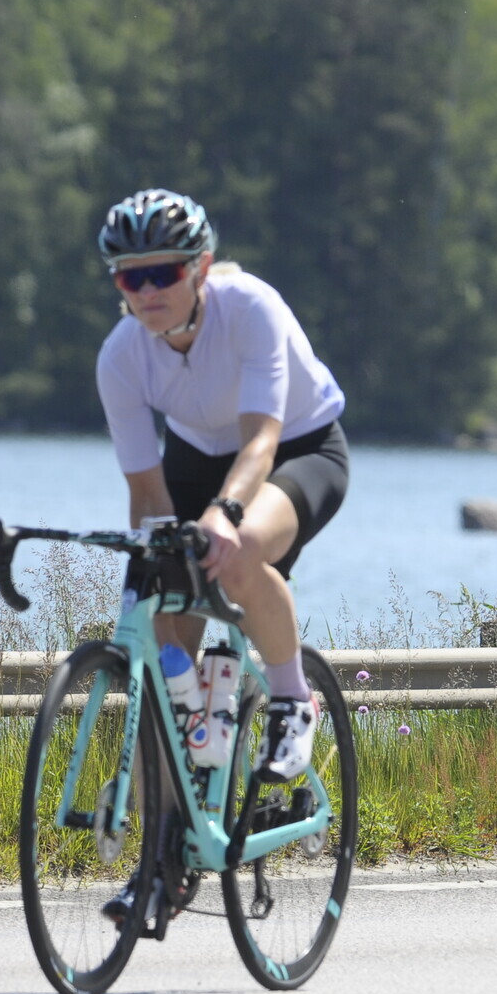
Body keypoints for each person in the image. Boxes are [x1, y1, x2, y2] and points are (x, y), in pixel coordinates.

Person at [95, 188, 349, 782]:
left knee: (240, 551)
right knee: (167, 616)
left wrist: (225, 512)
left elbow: (261, 440)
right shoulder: (120, 356)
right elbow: (147, 495)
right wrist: (154, 573)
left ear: (201, 268)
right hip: (196, 458)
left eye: (163, 273)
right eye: (131, 278)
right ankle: (176, 814)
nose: (148, 291)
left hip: (298, 447)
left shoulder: (251, 308)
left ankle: (292, 700)